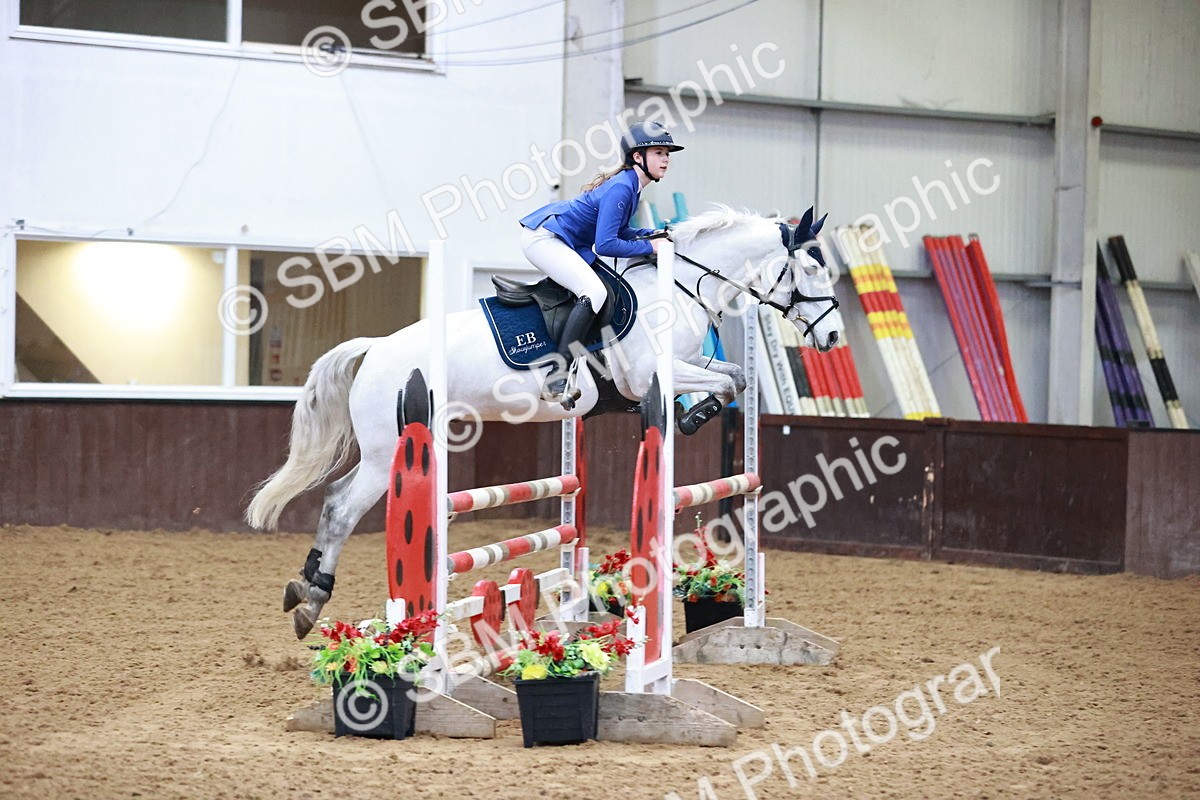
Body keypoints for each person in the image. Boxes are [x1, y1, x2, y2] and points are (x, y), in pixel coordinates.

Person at [518, 120, 683, 404]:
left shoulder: (632, 186)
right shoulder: (622, 188)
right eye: (658, 152)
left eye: (667, 153)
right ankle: (557, 376)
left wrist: (652, 235)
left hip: (567, 240)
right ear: (637, 157)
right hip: (545, 239)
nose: (665, 159)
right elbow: (606, 244)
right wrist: (651, 246)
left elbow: (620, 232)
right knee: (594, 292)